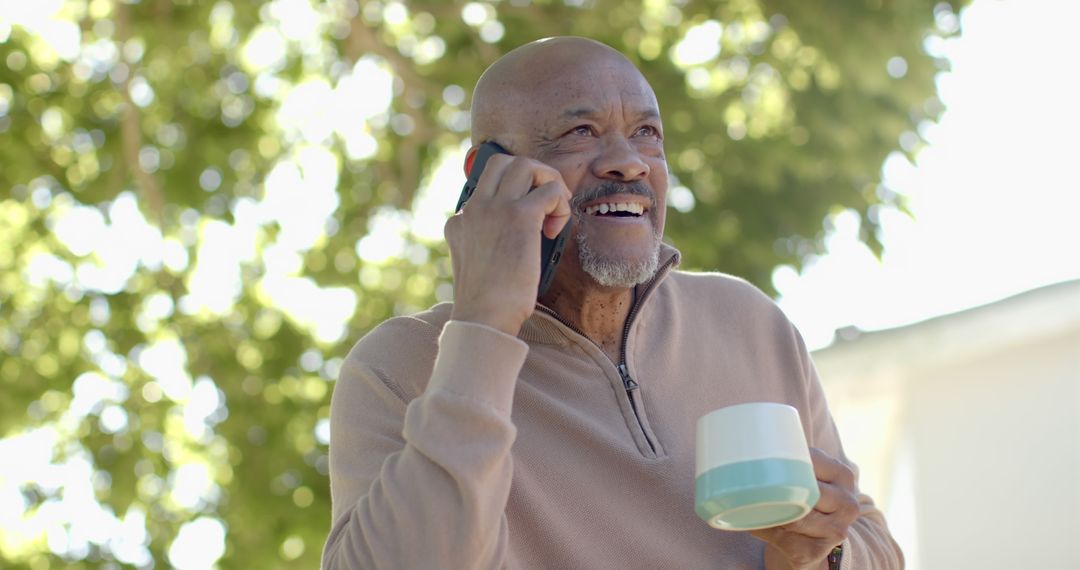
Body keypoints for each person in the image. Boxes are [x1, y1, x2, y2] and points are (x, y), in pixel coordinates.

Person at [322, 36, 902, 569]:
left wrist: (814, 554)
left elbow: (876, 546)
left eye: (647, 134)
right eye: (581, 133)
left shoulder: (748, 321)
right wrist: (484, 322)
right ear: (487, 174)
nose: (630, 161)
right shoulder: (400, 366)